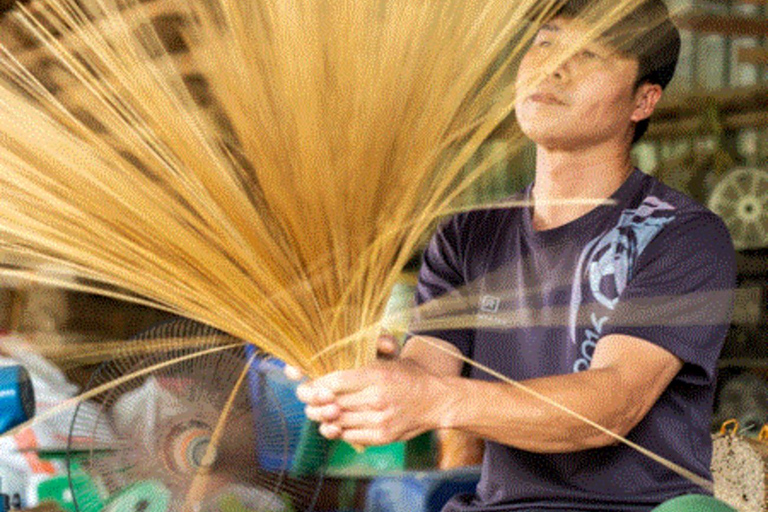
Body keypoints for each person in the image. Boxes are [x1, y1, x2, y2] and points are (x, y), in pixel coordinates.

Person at [290, 0, 737, 510]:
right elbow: (427, 377)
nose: (553, 64)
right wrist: (372, 380)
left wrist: (435, 400)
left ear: (643, 101)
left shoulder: (683, 235)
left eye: (588, 53)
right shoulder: (467, 236)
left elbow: (614, 403)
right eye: (545, 42)